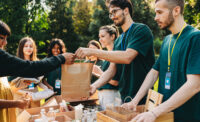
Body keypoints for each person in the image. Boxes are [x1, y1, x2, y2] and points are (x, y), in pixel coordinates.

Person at [121, 0, 200, 122]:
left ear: (176, 11)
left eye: (159, 12)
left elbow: (194, 85)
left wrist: (154, 112)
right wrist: (135, 101)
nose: (155, 17)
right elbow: (153, 73)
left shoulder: (195, 37)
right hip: (165, 116)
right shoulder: (167, 40)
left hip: (187, 117)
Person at [75, 0, 155, 103]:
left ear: (126, 10)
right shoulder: (118, 40)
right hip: (125, 98)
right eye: (110, 14)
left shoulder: (140, 30)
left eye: (115, 11)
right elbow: (111, 70)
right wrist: (94, 86)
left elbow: (127, 57)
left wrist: (93, 51)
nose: (112, 16)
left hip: (143, 98)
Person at [0, 20, 75, 122]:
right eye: (1, 38)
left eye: (5, 39)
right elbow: (31, 68)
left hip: (31, 97)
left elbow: (38, 76)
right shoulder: (10, 61)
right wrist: (17, 102)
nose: (5, 43)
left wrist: (46, 88)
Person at [8, 37, 54, 108]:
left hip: (35, 94)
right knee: (22, 118)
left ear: (34, 49)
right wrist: (26, 93)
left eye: (31, 46)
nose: (29, 48)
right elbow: (11, 85)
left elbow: (39, 81)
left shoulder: (37, 63)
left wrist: (47, 88)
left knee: (35, 116)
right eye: (26, 46)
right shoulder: (16, 63)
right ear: (21, 48)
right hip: (20, 94)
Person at [95, 25, 121, 110]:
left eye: (102, 36)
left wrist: (99, 72)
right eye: (99, 37)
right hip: (104, 95)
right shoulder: (108, 56)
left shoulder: (117, 54)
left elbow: (116, 82)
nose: (100, 40)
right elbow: (105, 77)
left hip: (111, 95)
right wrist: (95, 72)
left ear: (112, 36)